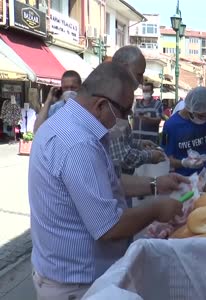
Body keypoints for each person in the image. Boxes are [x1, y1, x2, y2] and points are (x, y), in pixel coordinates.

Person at [29, 62, 187, 300]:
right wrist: (156, 209)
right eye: (124, 112)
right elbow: (109, 226)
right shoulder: (79, 143)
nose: (126, 119)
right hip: (77, 285)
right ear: (101, 105)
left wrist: (155, 184)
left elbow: (104, 184)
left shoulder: (73, 125)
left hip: (71, 276)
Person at [108, 46, 165, 176]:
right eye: (138, 74)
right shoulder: (112, 98)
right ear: (123, 68)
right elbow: (120, 156)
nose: (139, 81)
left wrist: (138, 144)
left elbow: (117, 141)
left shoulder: (119, 95)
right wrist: (149, 156)